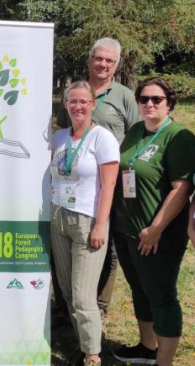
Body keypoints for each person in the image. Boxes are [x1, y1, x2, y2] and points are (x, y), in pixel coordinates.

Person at [55, 38, 140, 324]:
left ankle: (99, 305)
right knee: (68, 243)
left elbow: (137, 135)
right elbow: (63, 131)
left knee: (108, 242)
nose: (103, 64)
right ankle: (69, 307)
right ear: (89, 60)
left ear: (115, 65)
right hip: (76, 182)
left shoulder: (124, 95)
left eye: (109, 60)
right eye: (98, 58)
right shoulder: (72, 91)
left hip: (113, 179)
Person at [112, 77, 195, 366]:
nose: (148, 104)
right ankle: (148, 348)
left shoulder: (179, 137)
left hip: (159, 234)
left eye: (156, 99)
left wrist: (155, 228)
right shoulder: (136, 130)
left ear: (169, 103)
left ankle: (164, 361)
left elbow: (182, 188)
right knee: (139, 289)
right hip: (128, 230)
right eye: (144, 99)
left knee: (162, 296)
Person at [50, 81, 119, 366]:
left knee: (82, 295)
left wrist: (101, 224)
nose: (77, 106)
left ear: (93, 104)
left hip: (87, 221)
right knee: (66, 290)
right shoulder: (59, 137)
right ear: (65, 104)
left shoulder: (102, 138)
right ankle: (82, 343)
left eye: (83, 101)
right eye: (72, 101)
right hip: (58, 217)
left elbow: (110, 184)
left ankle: (92, 354)